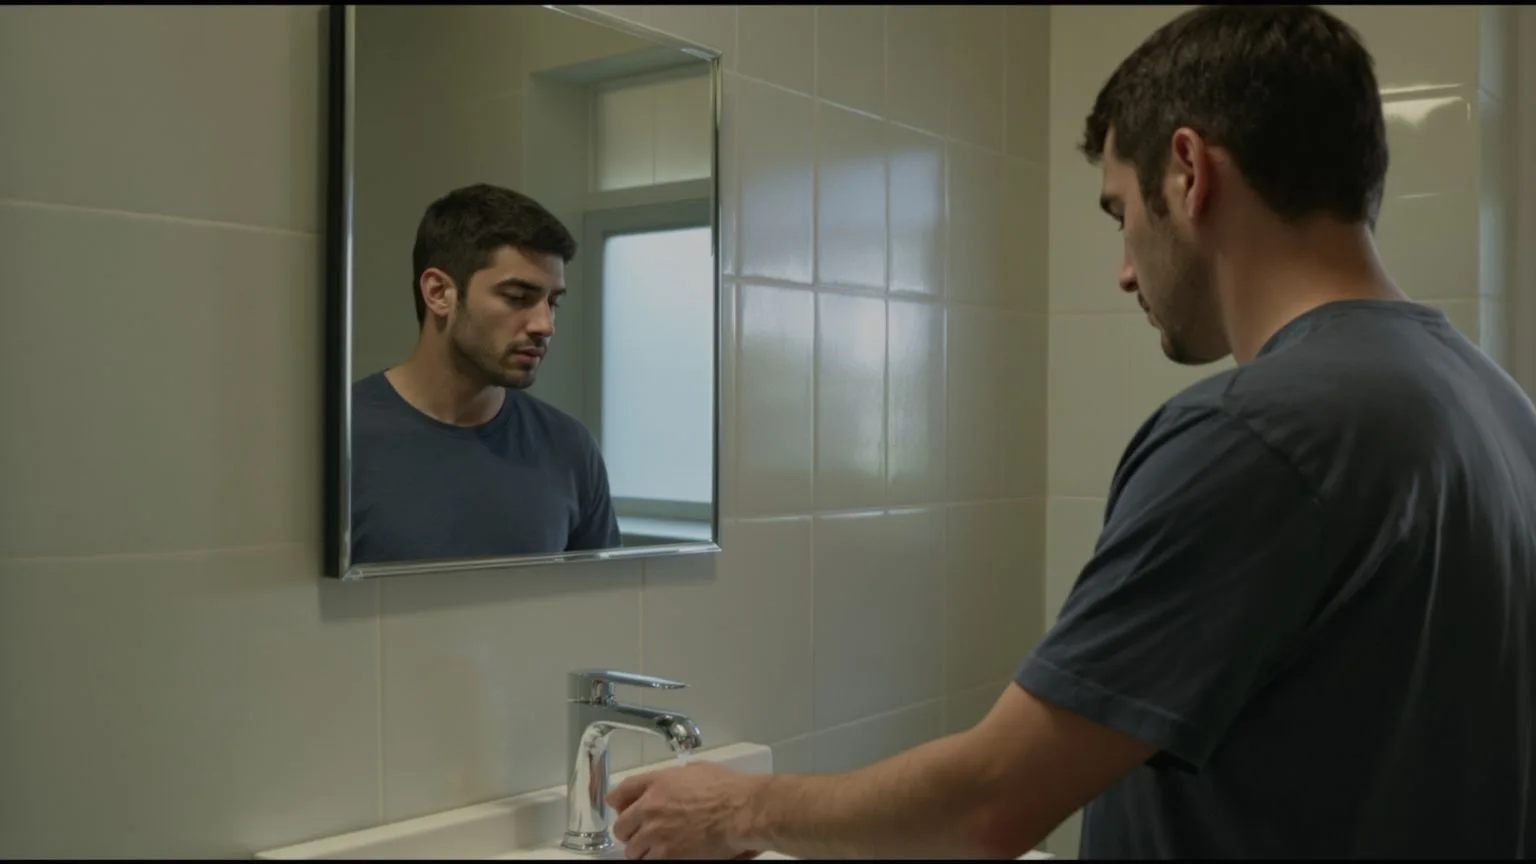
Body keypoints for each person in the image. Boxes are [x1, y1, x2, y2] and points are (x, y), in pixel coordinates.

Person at [603, 5, 1536, 859]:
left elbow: (988, 805)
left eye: (1122, 215)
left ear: (1190, 170)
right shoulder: (1496, 407)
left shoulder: (1257, 434)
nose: (1126, 271)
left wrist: (738, 809)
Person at [350, 184, 621, 564]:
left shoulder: (570, 448)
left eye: (552, 301)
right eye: (517, 297)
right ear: (439, 292)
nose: (545, 325)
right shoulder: (341, 438)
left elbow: (602, 608)